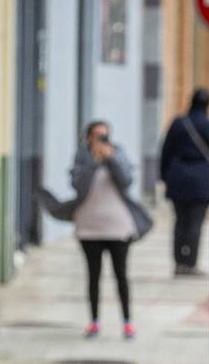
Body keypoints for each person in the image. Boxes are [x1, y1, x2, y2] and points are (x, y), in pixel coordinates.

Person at [38, 122, 152, 339]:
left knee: (121, 275)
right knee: (93, 276)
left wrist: (110, 159)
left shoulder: (118, 154)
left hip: (118, 227)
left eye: (106, 135)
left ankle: (127, 322)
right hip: (89, 227)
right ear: (88, 137)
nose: (102, 140)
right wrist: (94, 161)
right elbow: (78, 186)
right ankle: (94, 321)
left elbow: (126, 181)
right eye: (97, 135)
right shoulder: (82, 158)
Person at [159, 88, 209, 276]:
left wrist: (165, 177)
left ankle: (178, 262)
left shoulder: (179, 123)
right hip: (201, 182)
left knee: (179, 222)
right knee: (195, 224)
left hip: (178, 179)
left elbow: (165, 151)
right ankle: (190, 264)